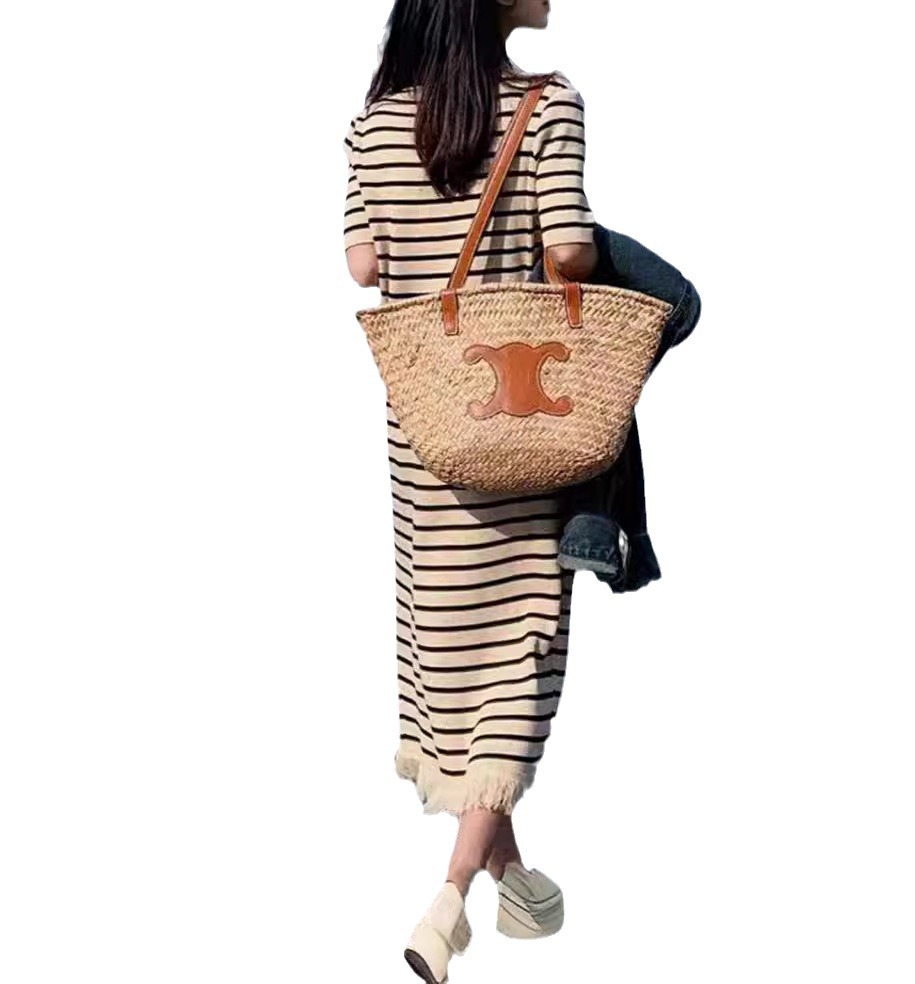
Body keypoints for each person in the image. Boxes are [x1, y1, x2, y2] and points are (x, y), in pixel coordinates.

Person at [343, 2, 596, 980]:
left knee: (451, 642)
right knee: (522, 641)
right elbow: (567, 252)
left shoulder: (374, 123)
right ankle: (449, 896)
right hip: (520, 414)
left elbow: (364, 263)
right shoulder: (548, 105)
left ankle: (514, 882)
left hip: (425, 428)